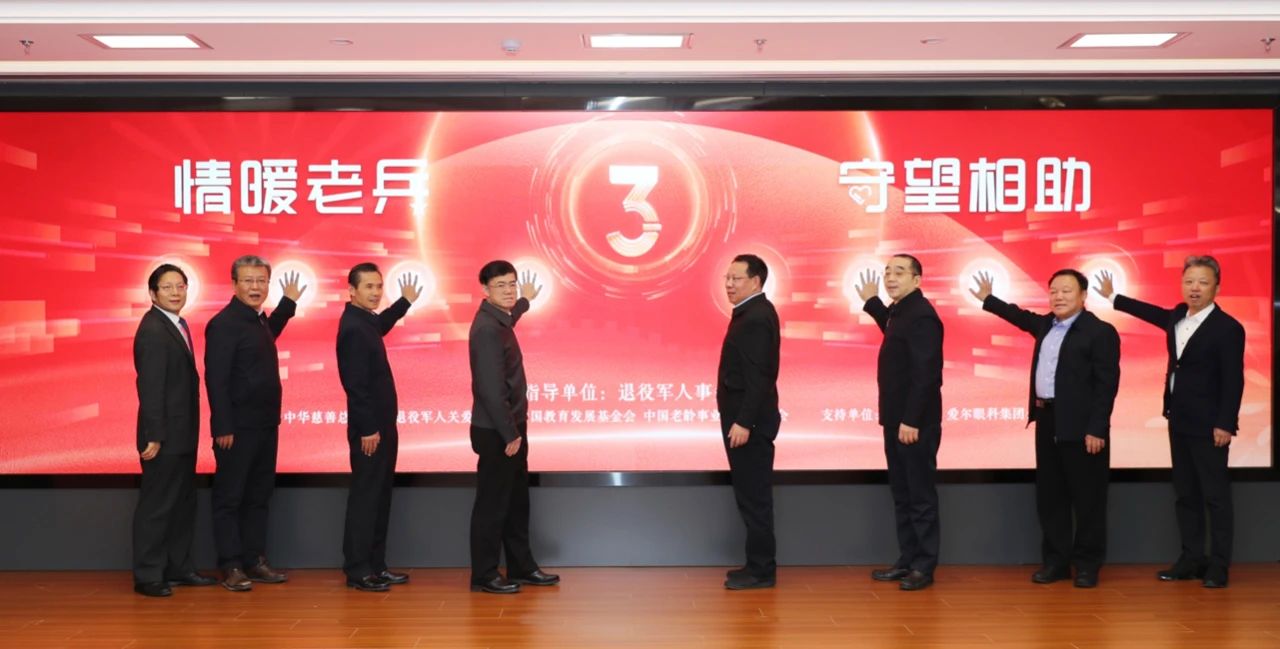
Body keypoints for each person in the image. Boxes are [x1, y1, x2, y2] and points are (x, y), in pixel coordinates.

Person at [1095, 257, 1244, 588]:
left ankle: (1219, 566)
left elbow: (1234, 380)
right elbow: (1150, 313)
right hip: (1178, 419)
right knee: (1186, 494)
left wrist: (1225, 423)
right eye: (1189, 281)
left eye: (1203, 282)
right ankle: (1191, 559)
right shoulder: (1177, 316)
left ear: (1217, 287)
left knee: (1216, 497)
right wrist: (1113, 296)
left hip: (1210, 426)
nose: (1195, 288)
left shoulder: (1228, 328)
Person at [971, 269, 1119, 588]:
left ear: (1083, 296)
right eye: (1053, 291)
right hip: (1047, 419)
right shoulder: (1046, 325)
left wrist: (1097, 428)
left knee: (1088, 499)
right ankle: (1056, 563)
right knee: (1051, 496)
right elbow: (1019, 316)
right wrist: (989, 299)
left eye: (1066, 290)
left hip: (1083, 427)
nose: (1058, 296)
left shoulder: (1100, 332)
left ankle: (1087, 565)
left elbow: (1106, 386)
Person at [204, 255, 305, 592]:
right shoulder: (224, 324)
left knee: (259, 495)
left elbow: (267, 336)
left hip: (264, 424)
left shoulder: (257, 320)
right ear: (234, 284)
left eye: (261, 281)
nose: (255, 287)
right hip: (236, 429)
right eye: (248, 280)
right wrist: (222, 426)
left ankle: (254, 560)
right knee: (230, 497)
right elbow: (216, 380)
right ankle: (231, 565)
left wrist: (288, 304)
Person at [467, 261, 559, 594]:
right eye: (501, 285)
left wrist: (525, 302)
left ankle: (521, 566)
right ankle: (484, 574)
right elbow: (491, 390)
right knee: (493, 505)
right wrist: (510, 434)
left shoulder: (500, 319)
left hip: (511, 428)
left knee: (516, 501)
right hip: (498, 432)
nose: (509, 291)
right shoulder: (486, 329)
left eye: (512, 284)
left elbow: (511, 314)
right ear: (485, 290)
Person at [855, 254, 943, 591]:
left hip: (914, 423)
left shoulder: (922, 315)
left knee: (919, 496)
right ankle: (907, 560)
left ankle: (923, 566)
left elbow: (927, 374)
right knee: (903, 494)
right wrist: (872, 303)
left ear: (917, 280)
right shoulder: (901, 311)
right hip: (896, 419)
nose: (890, 278)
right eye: (887, 272)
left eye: (900, 272)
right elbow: (893, 332)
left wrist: (911, 419)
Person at [131, 263, 217, 597]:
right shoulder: (153, 329)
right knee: (158, 506)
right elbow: (150, 387)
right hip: (163, 437)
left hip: (181, 433)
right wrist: (154, 434)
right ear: (152, 293)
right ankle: (149, 575)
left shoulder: (177, 324)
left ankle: (179, 567)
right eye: (167, 287)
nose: (175, 292)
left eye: (180, 286)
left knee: (182, 504)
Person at [336, 263, 421, 592]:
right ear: (351, 291)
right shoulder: (352, 327)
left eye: (378, 286)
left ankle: (376, 565)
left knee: (380, 496)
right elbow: (355, 385)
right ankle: (358, 569)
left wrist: (404, 302)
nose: (375, 293)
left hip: (382, 425)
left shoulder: (365, 320)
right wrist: (368, 428)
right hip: (369, 429)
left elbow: (381, 325)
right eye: (368, 287)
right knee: (366, 498)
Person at [718, 254, 782, 590]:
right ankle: (755, 564)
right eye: (727, 278)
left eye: (736, 278)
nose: (729, 284)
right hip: (744, 422)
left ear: (755, 281)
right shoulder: (750, 312)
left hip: (750, 426)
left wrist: (744, 422)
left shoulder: (756, 317)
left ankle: (762, 571)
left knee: (755, 498)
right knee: (749, 496)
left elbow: (760, 377)